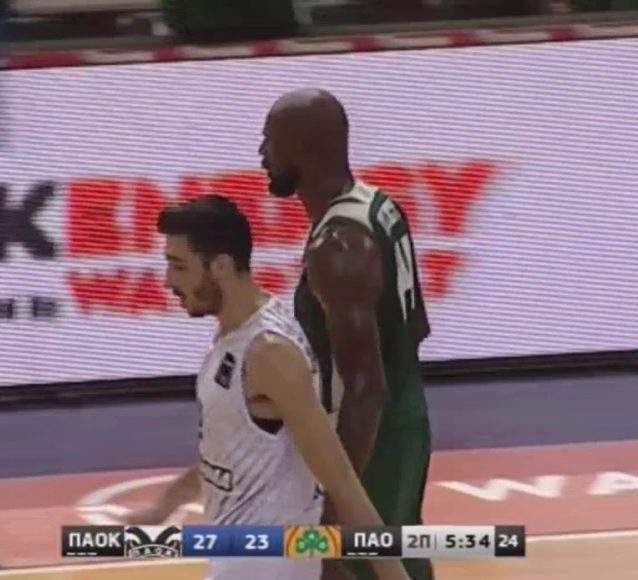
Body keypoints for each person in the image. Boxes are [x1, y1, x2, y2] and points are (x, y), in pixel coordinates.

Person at [124, 195, 411, 580]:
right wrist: (164, 506)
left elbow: (340, 478)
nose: (167, 281)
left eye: (179, 266)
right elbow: (230, 447)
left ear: (221, 266)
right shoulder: (238, 334)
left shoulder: (269, 354)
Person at [260, 89, 435, 580]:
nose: (262, 155)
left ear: (302, 148)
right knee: (399, 558)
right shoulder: (379, 206)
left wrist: (337, 503)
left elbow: (365, 388)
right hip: (406, 416)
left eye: (270, 141)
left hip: (370, 435)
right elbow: (416, 329)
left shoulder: (338, 245)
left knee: (353, 565)